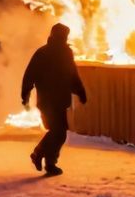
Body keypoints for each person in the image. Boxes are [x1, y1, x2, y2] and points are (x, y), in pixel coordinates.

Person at [21, 23, 87, 177]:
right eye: (63, 35)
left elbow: (72, 74)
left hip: (59, 99)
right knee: (58, 132)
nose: (65, 38)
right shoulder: (43, 53)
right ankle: (43, 157)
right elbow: (30, 75)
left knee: (58, 132)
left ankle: (44, 158)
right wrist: (25, 95)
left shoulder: (65, 52)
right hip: (48, 100)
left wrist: (80, 91)